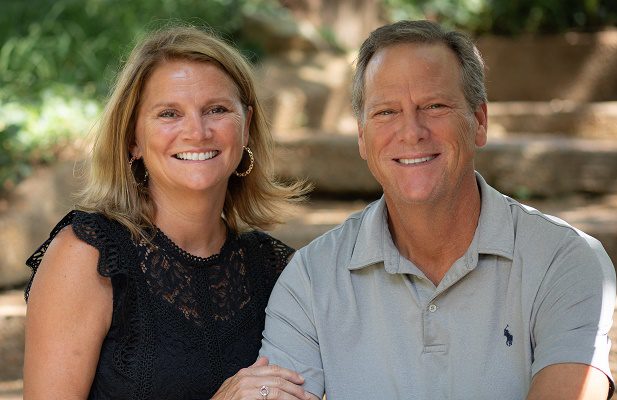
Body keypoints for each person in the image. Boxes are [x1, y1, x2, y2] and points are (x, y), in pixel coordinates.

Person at [259, 19, 616, 399]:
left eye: (434, 105)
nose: (412, 131)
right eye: (386, 112)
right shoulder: (312, 278)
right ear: (362, 138)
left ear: (479, 122)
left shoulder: (564, 260)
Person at [23, 25, 313, 400]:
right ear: (133, 140)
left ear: (246, 128)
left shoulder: (274, 269)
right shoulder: (88, 256)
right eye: (169, 114)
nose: (197, 131)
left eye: (217, 109)